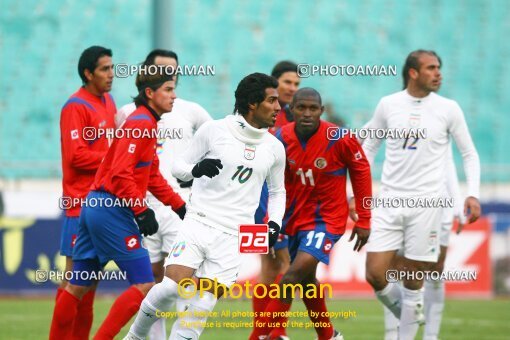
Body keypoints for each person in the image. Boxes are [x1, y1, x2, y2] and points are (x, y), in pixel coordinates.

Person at [124, 72, 286, 340]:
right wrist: (196, 169)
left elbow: (279, 192)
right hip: (199, 221)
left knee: (203, 305)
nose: (279, 107)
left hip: (235, 235)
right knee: (171, 288)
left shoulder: (274, 147)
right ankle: (135, 336)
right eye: (272, 100)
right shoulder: (215, 130)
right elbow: (179, 167)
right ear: (252, 104)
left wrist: (274, 223)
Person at [50, 69, 186, 340]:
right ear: (150, 93)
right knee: (146, 284)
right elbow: (120, 174)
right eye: (169, 90)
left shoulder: (146, 122)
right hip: (112, 209)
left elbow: (152, 176)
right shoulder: (141, 123)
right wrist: (141, 209)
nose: (174, 95)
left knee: (77, 286)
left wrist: (178, 206)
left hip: (95, 206)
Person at [362, 50, 481, 340]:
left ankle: (414, 334)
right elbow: (368, 147)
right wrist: (358, 191)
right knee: (376, 274)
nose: (438, 73)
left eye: (439, 67)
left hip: (428, 204)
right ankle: (409, 315)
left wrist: (472, 194)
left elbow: (468, 153)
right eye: (431, 68)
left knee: (414, 276)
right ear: (413, 73)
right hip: (389, 201)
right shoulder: (388, 104)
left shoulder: (448, 108)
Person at [249, 87, 372, 340]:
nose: (307, 113)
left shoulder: (339, 138)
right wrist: (267, 218)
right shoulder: (279, 139)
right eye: (301, 108)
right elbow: (266, 181)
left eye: (312, 108)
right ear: (291, 110)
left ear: (321, 111)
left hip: (326, 221)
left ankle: (259, 336)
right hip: (293, 221)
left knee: (291, 276)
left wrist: (365, 216)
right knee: (305, 280)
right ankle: (328, 335)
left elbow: (361, 170)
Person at [116, 49, 212, 339]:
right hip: (140, 206)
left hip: (176, 206)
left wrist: (193, 175)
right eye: (161, 69)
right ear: (147, 76)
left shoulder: (191, 110)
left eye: (173, 70)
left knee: (183, 277)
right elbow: (119, 162)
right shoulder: (127, 113)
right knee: (152, 281)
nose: (168, 75)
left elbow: (216, 143)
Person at [54, 45, 116, 339]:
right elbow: (76, 155)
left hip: (102, 204)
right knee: (74, 280)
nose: (111, 74)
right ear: (88, 73)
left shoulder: (109, 102)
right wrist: (112, 158)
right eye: (104, 69)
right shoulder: (75, 106)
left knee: (90, 284)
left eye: (112, 68)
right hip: (79, 204)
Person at [252, 61, 300, 340]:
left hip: (289, 203)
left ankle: (266, 332)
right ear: (275, 84)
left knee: (275, 267)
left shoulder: (298, 116)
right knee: (278, 265)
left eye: (296, 83)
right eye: (287, 83)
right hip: (263, 202)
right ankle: (273, 332)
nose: (292, 88)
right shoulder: (265, 116)